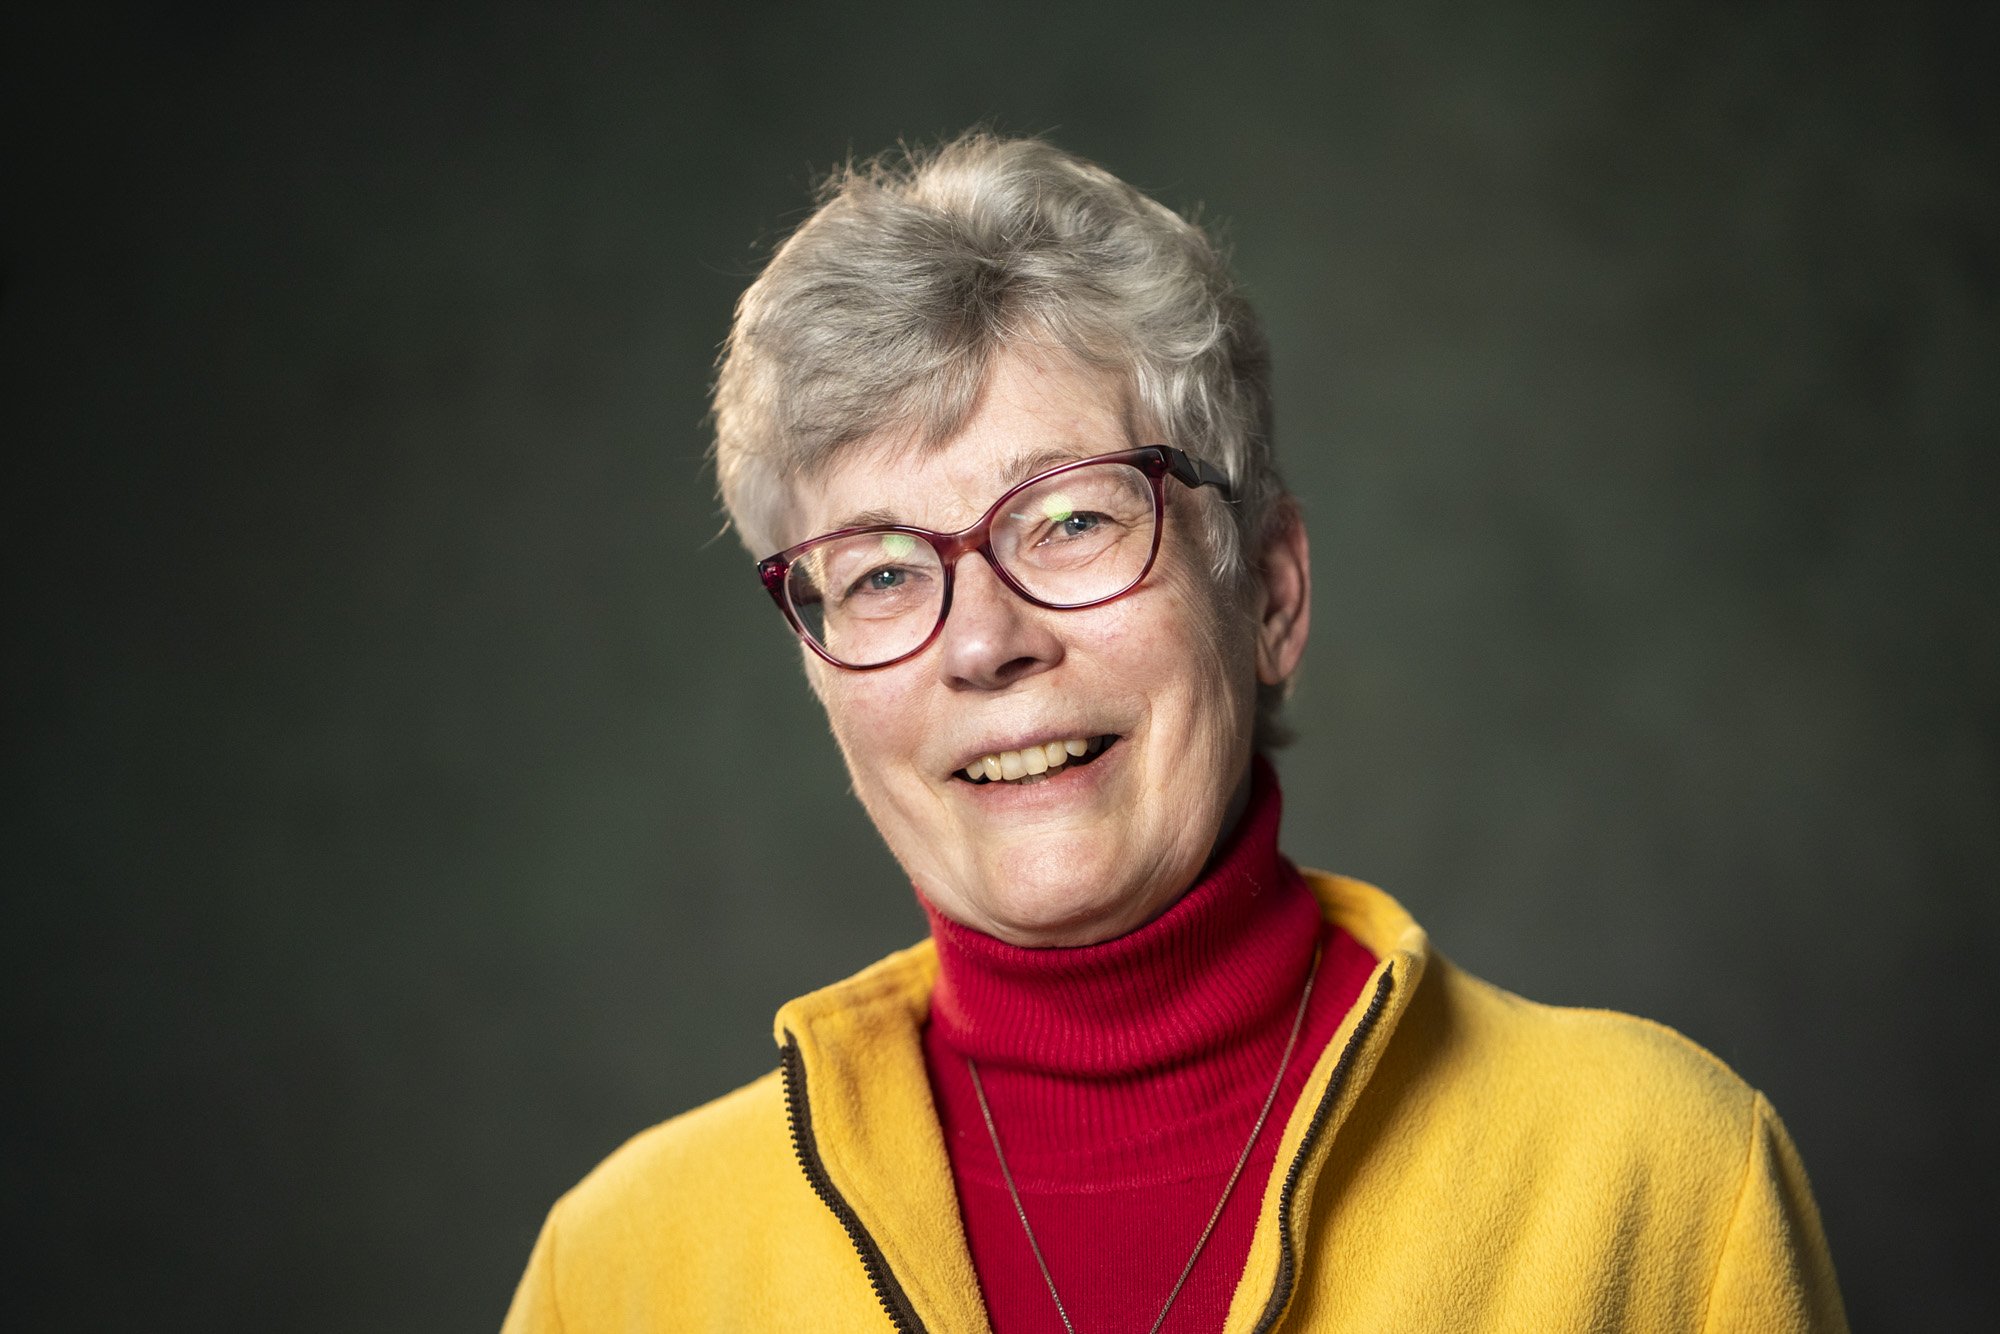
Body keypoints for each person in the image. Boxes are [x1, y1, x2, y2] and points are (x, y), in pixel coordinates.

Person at [502, 133, 1847, 1332]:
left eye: (1073, 519)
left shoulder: (1663, 1178)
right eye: (882, 571)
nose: (984, 642)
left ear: (1269, 593)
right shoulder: (618, 1273)